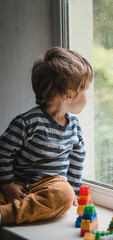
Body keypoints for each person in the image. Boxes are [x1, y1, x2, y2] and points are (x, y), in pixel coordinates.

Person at [0, 47, 93, 225]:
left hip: (51, 186)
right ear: (69, 93)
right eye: (86, 89)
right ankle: (15, 207)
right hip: (17, 184)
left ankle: (5, 214)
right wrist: (8, 185)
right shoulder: (27, 123)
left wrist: (73, 190)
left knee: (63, 195)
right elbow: (3, 152)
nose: (88, 94)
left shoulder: (73, 126)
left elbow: (77, 156)